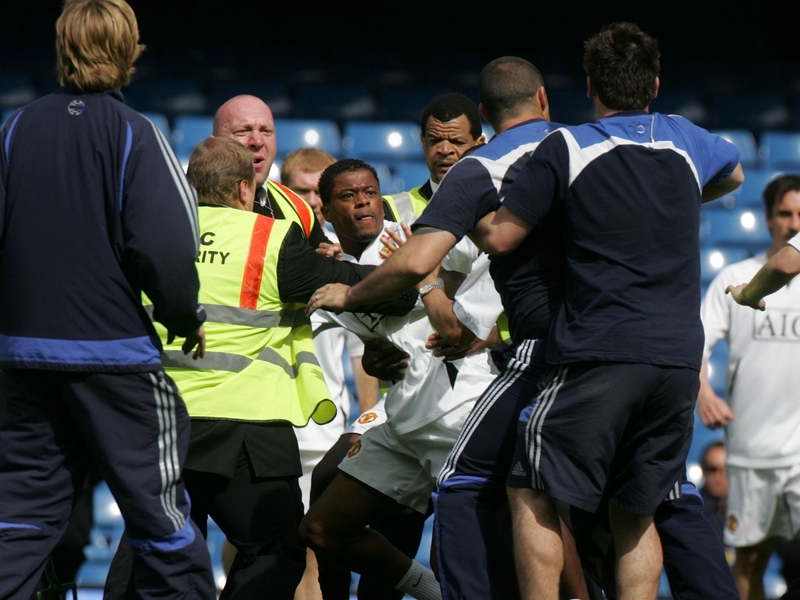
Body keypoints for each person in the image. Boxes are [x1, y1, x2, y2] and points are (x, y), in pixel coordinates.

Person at [472, 23, 743, 599]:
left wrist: (470, 206)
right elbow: (735, 173)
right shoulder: (685, 138)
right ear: (656, 83)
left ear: (590, 85)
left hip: (599, 351)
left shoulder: (567, 146)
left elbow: (499, 239)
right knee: (636, 510)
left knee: (530, 487)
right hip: (675, 361)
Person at [0, 1, 215, 598]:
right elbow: (167, 247)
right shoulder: (134, 133)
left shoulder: (14, 129)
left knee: (17, 518)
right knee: (161, 516)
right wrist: (181, 316)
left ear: (62, 48)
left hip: (22, 356)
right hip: (114, 356)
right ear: (129, 50)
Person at [300, 158, 498, 600]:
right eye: (348, 197)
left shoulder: (409, 239)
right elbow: (377, 335)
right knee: (321, 525)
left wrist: (481, 330)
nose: (363, 204)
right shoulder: (330, 266)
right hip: (405, 412)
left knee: (495, 543)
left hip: (457, 407)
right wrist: (373, 356)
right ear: (327, 212)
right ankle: (430, 591)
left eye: (369, 193)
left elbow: (478, 264)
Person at [699, 174, 800, 600]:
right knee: (750, 564)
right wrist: (702, 390)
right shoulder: (736, 277)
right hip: (750, 451)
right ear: (767, 218)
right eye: (785, 213)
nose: (794, 223)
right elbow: (696, 344)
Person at [213, 94, 329, 248]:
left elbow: (326, 264)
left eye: (266, 131)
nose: (258, 141)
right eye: (243, 131)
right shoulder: (183, 201)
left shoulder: (299, 209)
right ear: (214, 145)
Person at [383, 92, 485, 223]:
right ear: (423, 143)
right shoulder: (391, 211)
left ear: (479, 145)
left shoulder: (502, 208)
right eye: (435, 141)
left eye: (457, 142)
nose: (444, 150)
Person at [699, 442, 728, 543]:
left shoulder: (746, 509)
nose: (718, 477)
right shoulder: (692, 512)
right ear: (703, 469)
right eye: (712, 469)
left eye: (725, 469)